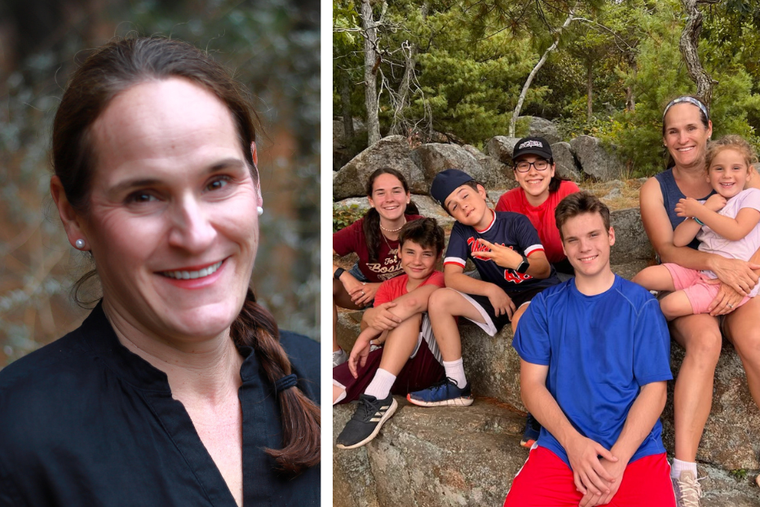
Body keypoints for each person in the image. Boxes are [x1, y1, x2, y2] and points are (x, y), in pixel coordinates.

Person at [0, 37, 319, 506]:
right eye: (143, 196)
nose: (194, 235)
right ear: (71, 212)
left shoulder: (312, 372)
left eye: (217, 182)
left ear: (255, 179)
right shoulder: (16, 435)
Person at [504, 192, 675, 507]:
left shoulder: (641, 305)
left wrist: (617, 460)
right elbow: (531, 385)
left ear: (610, 235)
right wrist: (574, 445)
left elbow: (655, 390)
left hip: (634, 451)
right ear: (564, 246)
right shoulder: (544, 307)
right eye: (573, 240)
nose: (584, 247)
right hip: (562, 448)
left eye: (593, 235)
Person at [639, 95, 760, 505]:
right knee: (707, 342)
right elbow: (670, 250)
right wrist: (716, 265)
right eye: (673, 131)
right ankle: (684, 471)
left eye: (691, 127)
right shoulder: (655, 189)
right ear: (665, 139)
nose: (683, 137)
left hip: (745, 281)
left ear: (708, 129)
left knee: (755, 342)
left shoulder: (739, 171)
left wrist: (741, 279)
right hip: (693, 279)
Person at [406, 169, 559, 447]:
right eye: (453, 205)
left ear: (480, 190)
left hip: (537, 290)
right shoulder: (463, 232)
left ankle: (539, 407)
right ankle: (457, 385)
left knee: (524, 322)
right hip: (499, 294)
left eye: (465, 195)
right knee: (438, 299)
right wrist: (490, 288)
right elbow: (452, 277)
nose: (463, 205)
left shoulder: (514, 222)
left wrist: (516, 261)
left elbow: (542, 267)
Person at [333, 218, 446, 449]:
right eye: (410, 252)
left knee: (409, 315)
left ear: (438, 256)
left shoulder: (439, 280)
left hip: (428, 367)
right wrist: (368, 322)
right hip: (395, 366)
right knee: (326, 390)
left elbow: (413, 304)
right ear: (399, 253)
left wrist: (367, 331)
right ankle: (376, 390)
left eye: (426, 254)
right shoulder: (387, 287)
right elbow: (380, 337)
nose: (416, 261)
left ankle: (377, 395)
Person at [634, 135, 760, 320]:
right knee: (645, 277)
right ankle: (622, 308)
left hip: (728, 280)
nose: (727, 175)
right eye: (719, 169)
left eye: (736, 168)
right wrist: (702, 211)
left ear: (749, 173)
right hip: (701, 270)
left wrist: (701, 212)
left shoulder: (751, 197)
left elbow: (736, 231)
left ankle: (648, 322)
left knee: (669, 305)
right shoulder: (707, 205)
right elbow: (679, 240)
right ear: (708, 175)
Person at [332, 168, 423, 366]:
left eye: (396, 191)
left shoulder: (421, 228)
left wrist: (381, 288)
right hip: (362, 290)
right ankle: (334, 354)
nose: (389, 198)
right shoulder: (360, 229)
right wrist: (344, 275)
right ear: (371, 201)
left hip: (403, 292)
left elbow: (431, 278)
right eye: (381, 193)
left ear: (407, 196)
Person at [496, 136, 580, 279]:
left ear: (552, 169)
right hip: (525, 275)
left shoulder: (568, 193)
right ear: (515, 173)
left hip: (567, 270)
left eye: (540, 164)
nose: (532, 172)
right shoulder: (507, 202)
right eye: (523, 166)